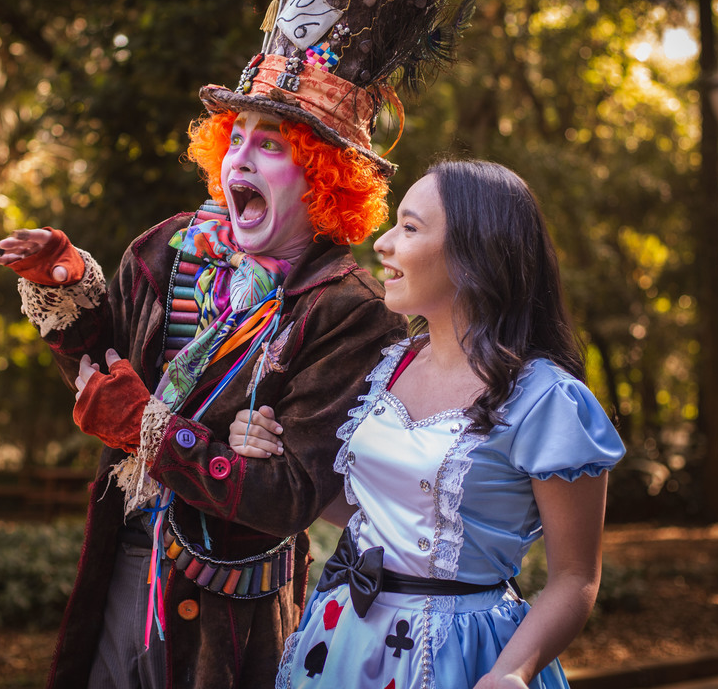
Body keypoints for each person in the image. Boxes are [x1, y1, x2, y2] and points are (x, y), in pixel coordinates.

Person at [0, 0, 469, 689]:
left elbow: (285, 498)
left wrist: (151, 427)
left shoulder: (349, 314)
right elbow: (101, 378)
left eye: (268, 145)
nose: (240, 158)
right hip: (121, 569)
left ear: (320, 177)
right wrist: (66, 288)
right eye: (234, 137)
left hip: (231, 618)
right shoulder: (164, 250)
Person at [232, 160, 627, 689]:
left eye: (410, 228)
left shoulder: (549, 401)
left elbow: (576, 577)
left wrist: (513, 671)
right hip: (344, 636)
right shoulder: (386, 367)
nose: (384, 243)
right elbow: (369, 513)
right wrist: (270, 450)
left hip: (463, 655)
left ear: (474, 255)